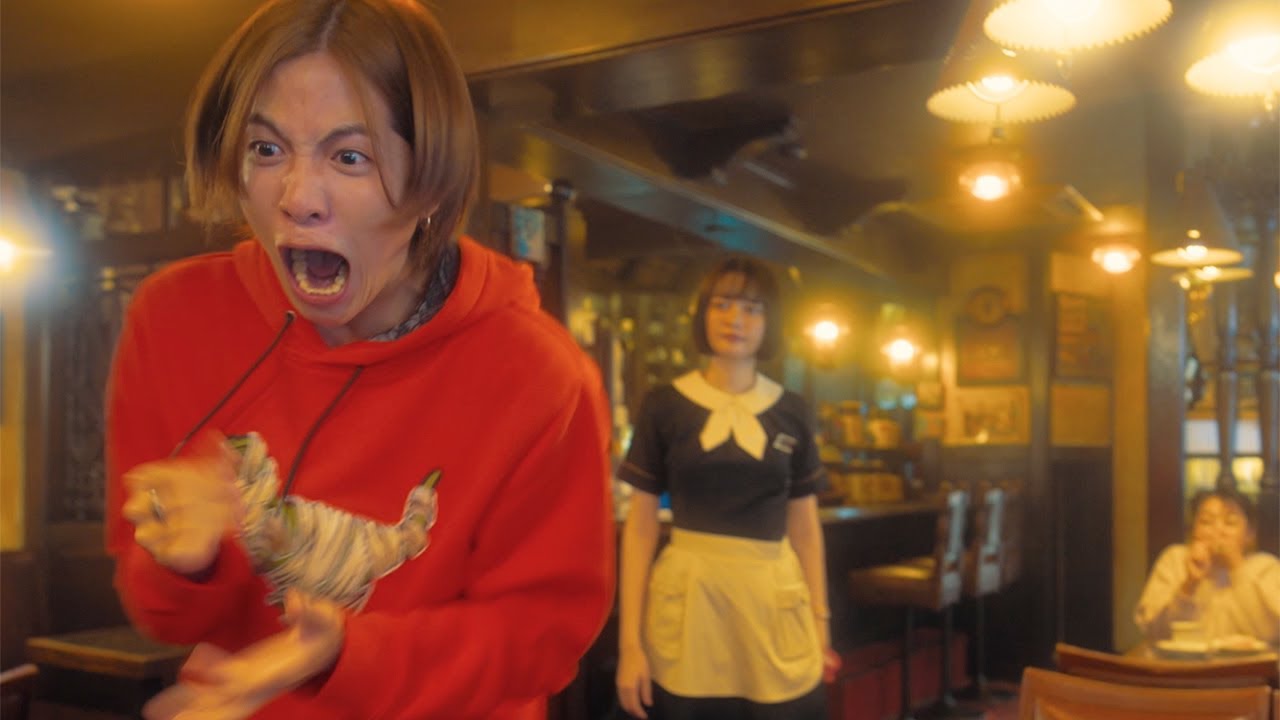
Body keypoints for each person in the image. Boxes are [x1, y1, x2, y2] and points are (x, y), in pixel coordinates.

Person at [104, 1, 614, 717]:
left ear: (430, 181)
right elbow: (161, 615)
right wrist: (186, 562)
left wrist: (348, 654)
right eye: (266, 150)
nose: (297, 198)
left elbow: (541, 635)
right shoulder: (174, 318)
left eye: (349, 157)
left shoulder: (539, 376)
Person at [614, 257, 838, 720]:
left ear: (770, 323)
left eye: (752, 309)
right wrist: (629, 645)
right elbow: (640, 529)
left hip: (771, 598)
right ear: (703, 313)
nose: (735, 319)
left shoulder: (792, 410)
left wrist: (821, 625)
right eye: (723, 304)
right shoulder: (664, 406)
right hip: (690, 599)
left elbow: (805, 527)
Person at [1134, 488, 1280, 646]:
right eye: (1206, 522)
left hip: (1249, 662)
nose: (1218, 530)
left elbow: (1271, 632)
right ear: (1193, 529)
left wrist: (1236, 566)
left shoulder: (1265, 567)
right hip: (1182, 661)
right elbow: (1153, 629)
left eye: (1230, 523)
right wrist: (1189, 584)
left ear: (1250, 534)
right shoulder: (1175, 559)